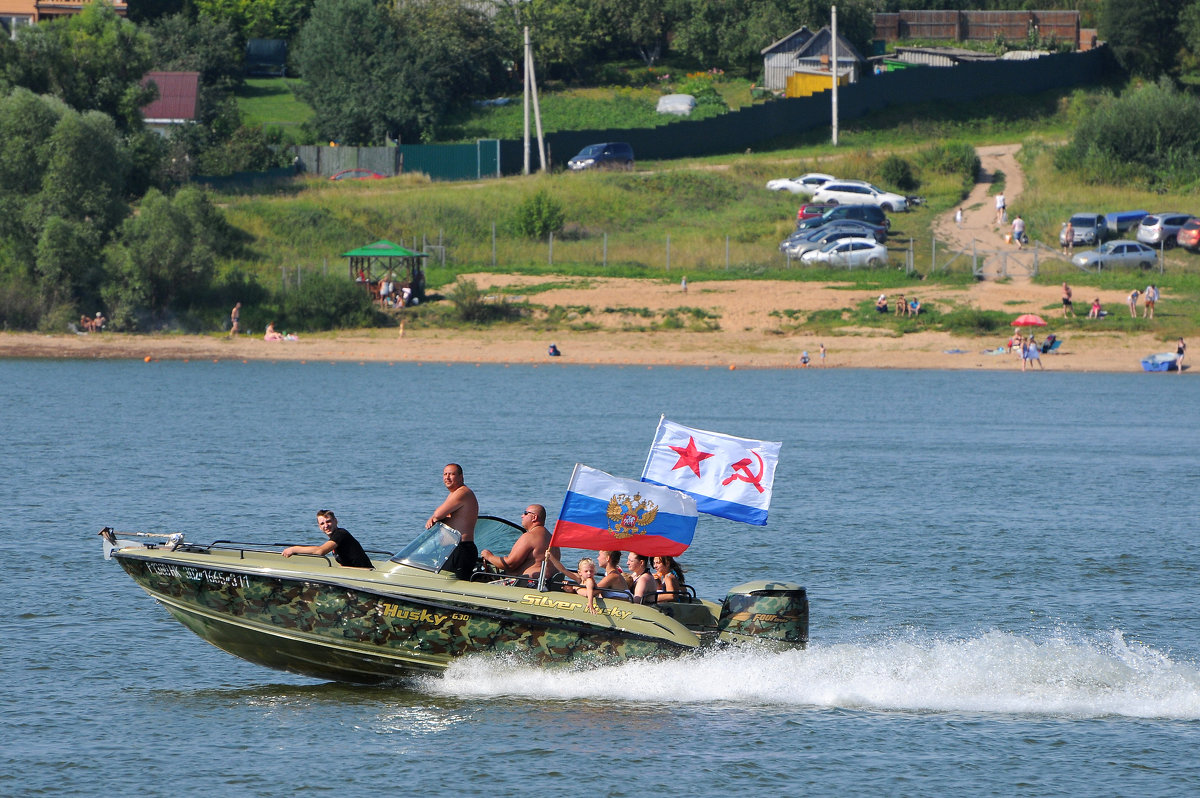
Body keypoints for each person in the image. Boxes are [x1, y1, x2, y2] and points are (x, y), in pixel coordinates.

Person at [427, 463, 479, 579]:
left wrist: (434, 517)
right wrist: (435, 517)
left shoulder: (462, 492)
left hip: (462, 549)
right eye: (445, 474)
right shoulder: (453, 494)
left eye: (451, 474)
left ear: (461, 477)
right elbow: (442, 515)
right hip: (452, 549)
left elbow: (438, 514)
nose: (447, 477)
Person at [481, 504, 556, 577]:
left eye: (525, 513)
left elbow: (509, 564)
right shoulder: (551, 538)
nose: (522, 516)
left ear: (534, 517)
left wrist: (488, 556)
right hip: (547, 582)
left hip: (527, 584)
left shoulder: (529, 536)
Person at [282, 510, 372, 568]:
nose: (326, 525)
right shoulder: (334, 540)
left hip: (365, 575)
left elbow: (320, 551)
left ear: (335, 521)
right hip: (354, 574)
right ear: (319, 527)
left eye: (328, 521)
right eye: (322, 523)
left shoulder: (341, 534)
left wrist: (293, 549)